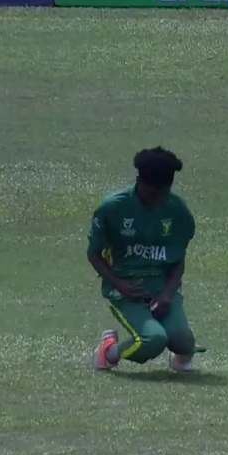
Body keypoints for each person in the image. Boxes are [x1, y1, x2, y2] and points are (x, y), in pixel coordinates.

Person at [87, 146, 199, 372]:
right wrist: (120, 285)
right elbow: (94, 254)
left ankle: (177, 358)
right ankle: (108, 351)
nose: (157, 199)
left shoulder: (177, 211)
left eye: (163, 193)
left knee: (184, 342)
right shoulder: (113, 208)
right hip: (126, 288)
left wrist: (167, 295)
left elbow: (178, 257)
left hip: (161, 288)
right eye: (151, 193)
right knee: (153, 339)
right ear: (139, 181)